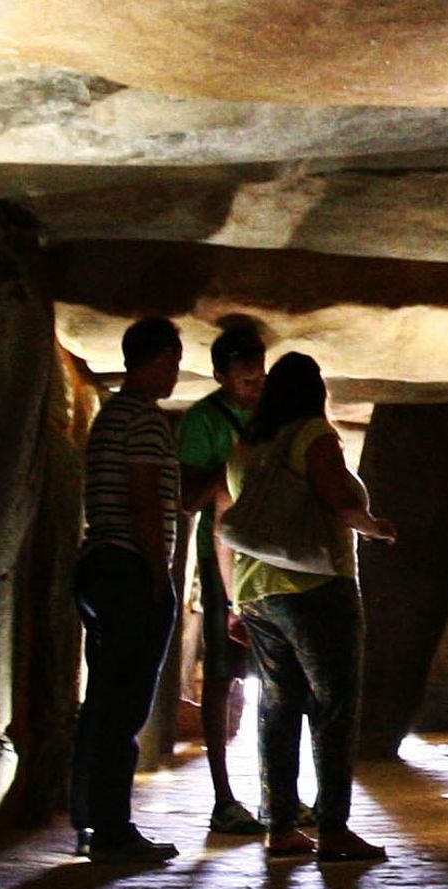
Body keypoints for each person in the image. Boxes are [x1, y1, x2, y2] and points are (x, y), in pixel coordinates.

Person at [225, 352, 395, 862]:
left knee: (277, 707)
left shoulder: (246, 446)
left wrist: (236, 601)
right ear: (314, 390)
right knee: (334, 705)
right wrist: (376, 527)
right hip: (317, 587)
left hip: (258, 592)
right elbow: (336, 501)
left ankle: (279, 827)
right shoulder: (313, 436)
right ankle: (334, 829)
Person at [69, 317, 184, 864]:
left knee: (103, 699)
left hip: (99, 567)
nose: (177, 370)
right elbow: (143, 497)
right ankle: (113, 830)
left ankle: (90, 819)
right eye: (174, 359)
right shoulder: (143, 418)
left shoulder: (110, 415)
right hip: (128, 570)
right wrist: (159, 571)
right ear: (157, 358)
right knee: (126, 704)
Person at [175, 324, 269, 835]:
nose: (256, 389)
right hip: (225, 561)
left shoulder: (274, 411)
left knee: (282, 678)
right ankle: (224, 797)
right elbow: (188, 500)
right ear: (220, 378)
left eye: (260, 378)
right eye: (245, 382)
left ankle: (281, 794)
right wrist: (233, 465)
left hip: (273, 559)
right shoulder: (203, 421)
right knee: (222, 676)